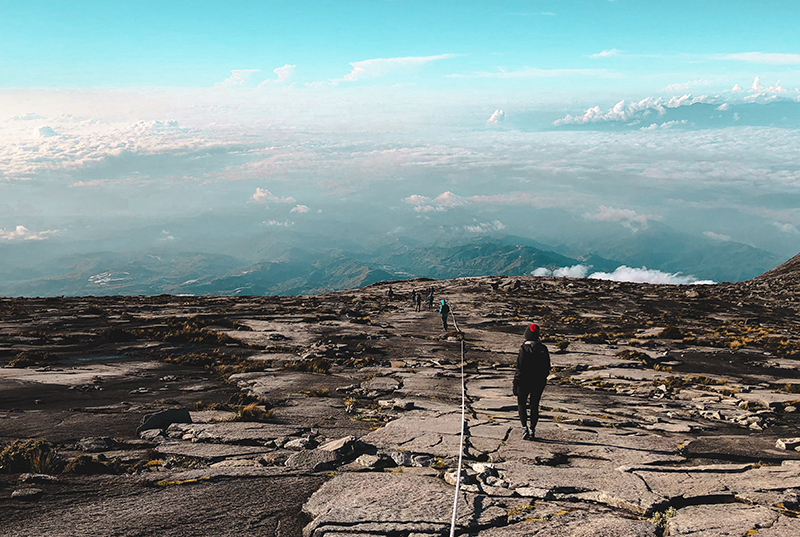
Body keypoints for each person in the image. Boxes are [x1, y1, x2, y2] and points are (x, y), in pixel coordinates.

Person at [513, 323, 550, 441]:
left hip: (523, 381)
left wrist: (515, 383)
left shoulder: (523, 349)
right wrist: (542, 379)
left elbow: (520, 368)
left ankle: (524, 428)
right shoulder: (543, 349)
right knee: (534, 405)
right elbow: (547, 367)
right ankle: (532, 429)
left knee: (521, 404)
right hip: (538, 382)